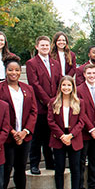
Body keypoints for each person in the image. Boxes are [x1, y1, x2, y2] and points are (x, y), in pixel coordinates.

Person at [0, 56, 36, 189]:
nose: (14, 73)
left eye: (17, 70)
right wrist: (12, 132)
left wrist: (25, 131)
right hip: (7, 138)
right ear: (5, 71)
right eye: (11, 70)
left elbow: (33, 112)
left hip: (24, 137)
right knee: (5, 171)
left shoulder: (27, 89)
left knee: (20, 171)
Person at [48, 76, 84, 189]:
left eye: (69, 85)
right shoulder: (53, 102)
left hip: (74, 137)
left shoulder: (79, 102)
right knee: (60, 169)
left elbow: (81, 122)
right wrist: (62, 135)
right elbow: (50, 121)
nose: (66, 88)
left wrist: (71, 135)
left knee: (76, 169)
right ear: (60, 87)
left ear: (73, 87)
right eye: (64, 85)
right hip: (59, 138)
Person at [26, 36, 61, 174]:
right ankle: (34, 164)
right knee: (37, 137)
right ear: (37, 47)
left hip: (54, 105)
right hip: (40, 106)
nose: (45, 47)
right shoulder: (31, 63)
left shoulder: (55, 63)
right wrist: (48, 101)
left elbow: (58, 82)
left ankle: (49, 162)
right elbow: (34, 84)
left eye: (47, 45)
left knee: (49, 136)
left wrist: (56, 100)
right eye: (42, 45)